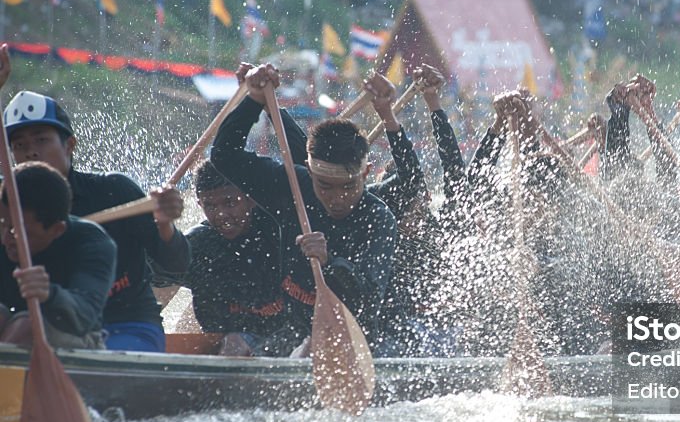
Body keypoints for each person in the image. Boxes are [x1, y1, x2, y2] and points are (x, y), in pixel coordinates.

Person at [0, 45, 189, 352]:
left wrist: (165, 225)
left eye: (42, 141)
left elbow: (176, 266)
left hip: (125, 323)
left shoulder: (115, 191)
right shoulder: (6, 204)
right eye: (20, 146)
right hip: (46, 325)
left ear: (70, 145)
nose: (31, 152)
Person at [210, 63, 397, 354]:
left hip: (355, 335)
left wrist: (330, 262)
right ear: (310, 174)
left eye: (348, 186)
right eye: (325, 186)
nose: (337, 197)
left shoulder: (377, 217)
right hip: (292, 328)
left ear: (365, 174)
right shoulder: (293, 186)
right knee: (236, 347)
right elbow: (224, 156)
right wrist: (255, 101)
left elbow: (369, 302)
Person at [157, 160, 292, 356]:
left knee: (234, 343)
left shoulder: (280, 233)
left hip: (282, 337)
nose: (221, 215)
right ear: (199, 204)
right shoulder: (197, 243)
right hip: (221, 337)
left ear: (250, 199)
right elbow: (155, 290)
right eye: (210, 205)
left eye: (230, 203)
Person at [0, 162, 116, 349]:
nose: (5, 239)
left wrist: (50, 295)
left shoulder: (93, 242)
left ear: (56, 230)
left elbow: (84, 317)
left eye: (17, 232)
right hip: (11, 327)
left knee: (25, 325)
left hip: (77, 339)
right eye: (2, 225)